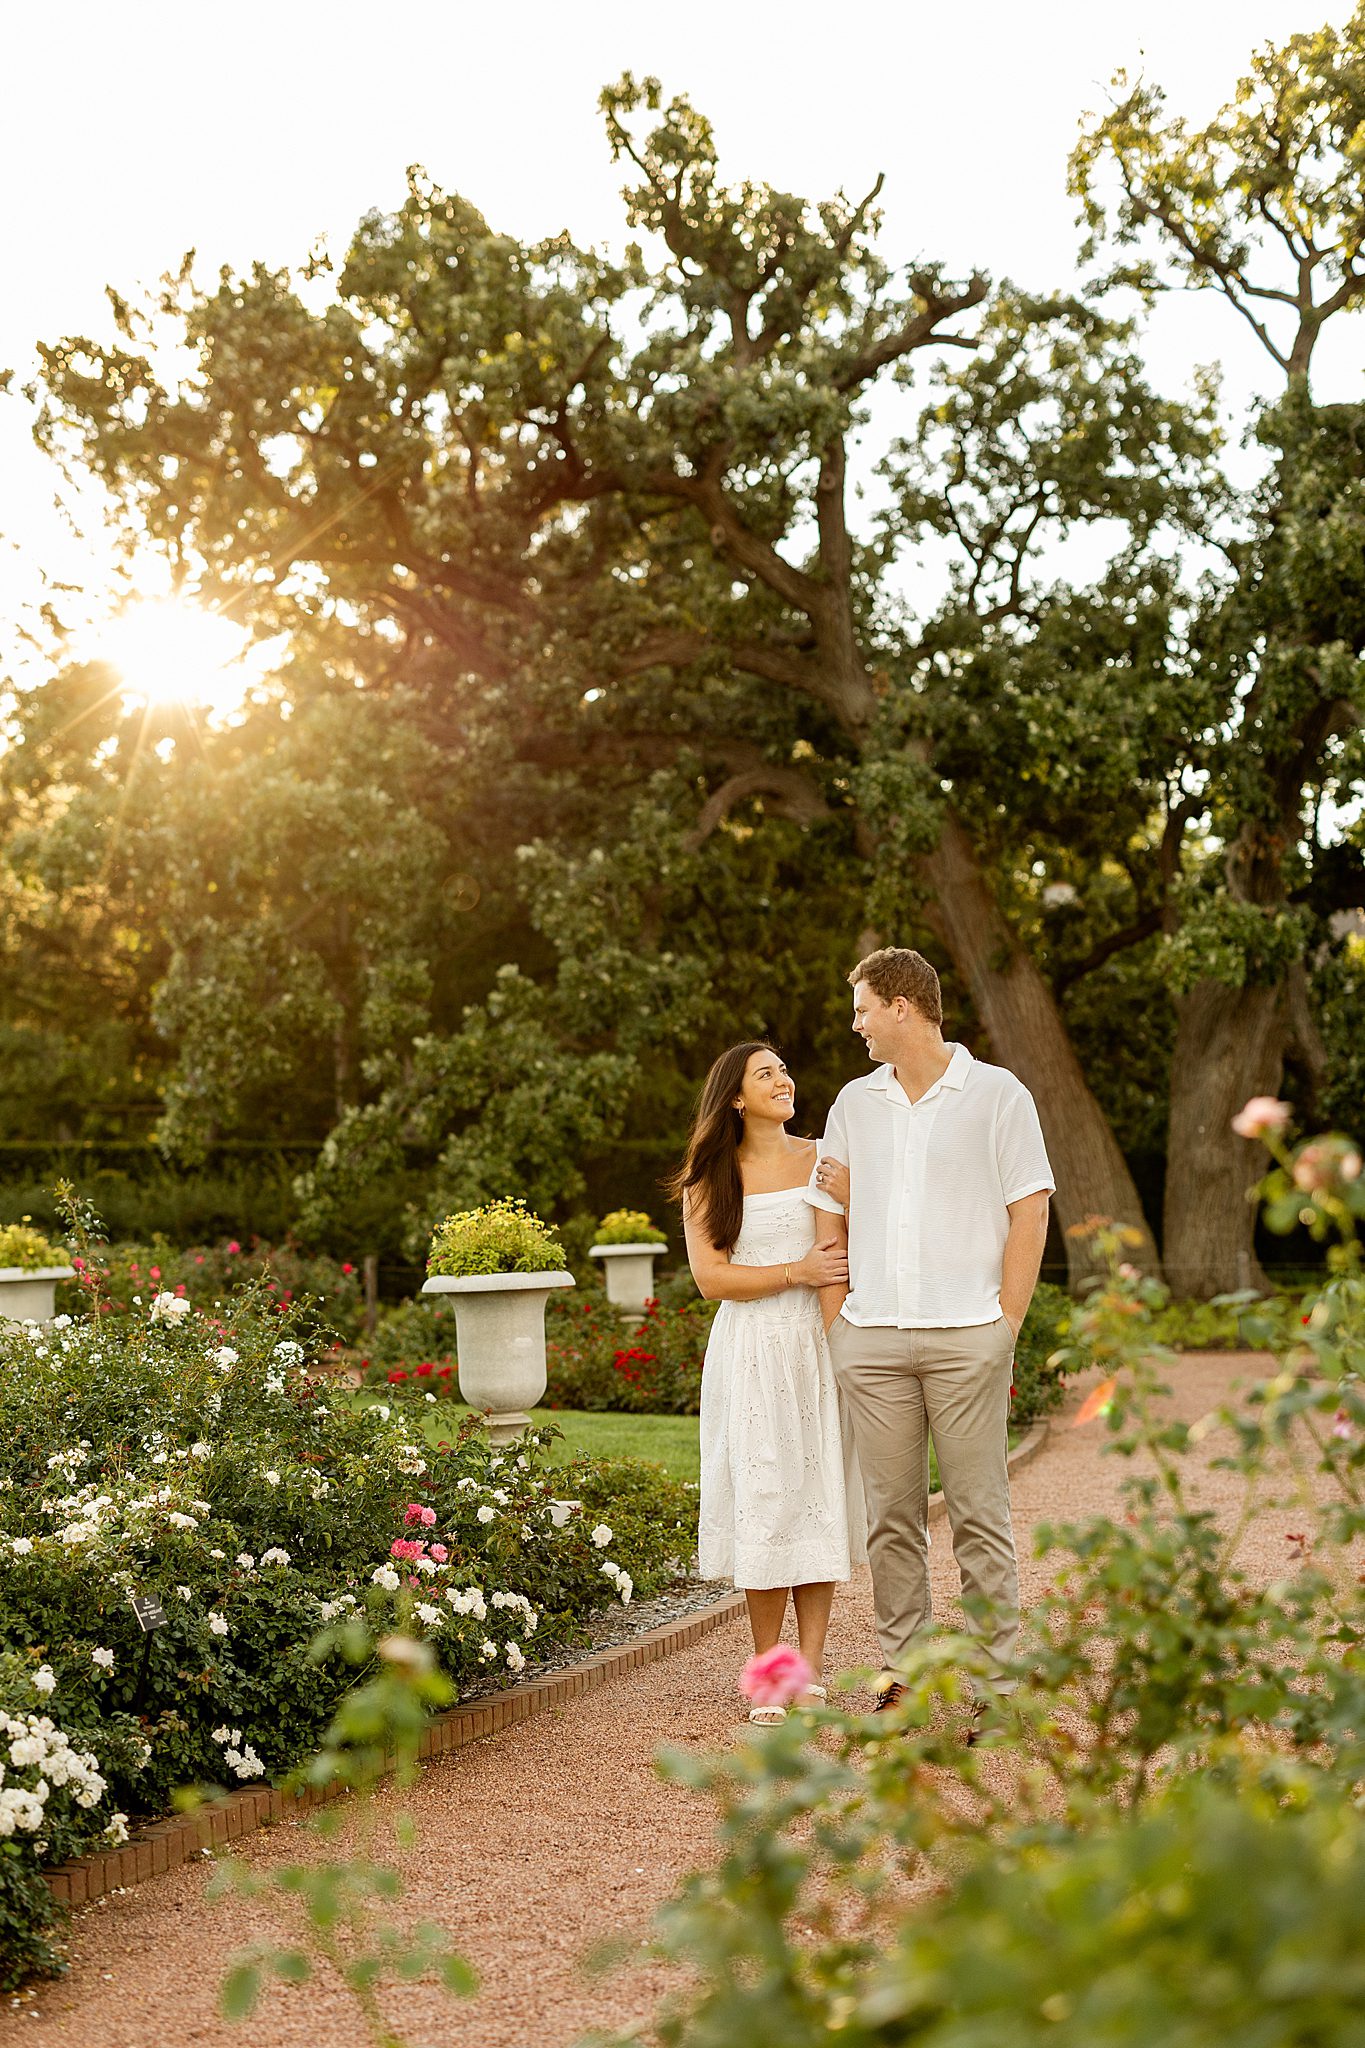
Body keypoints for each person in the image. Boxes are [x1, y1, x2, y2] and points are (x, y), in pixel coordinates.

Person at [805, 947, 1054, 1718]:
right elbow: (828, 1205)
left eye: (862, 1009)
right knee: (890, 1519)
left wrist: (1002, 1326)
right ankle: (903, 1677)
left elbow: (1030, 1210)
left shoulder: (997, 1096)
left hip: (966, 1335)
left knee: (980, 1517)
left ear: (902, 1007)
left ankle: (999, 1690)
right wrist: (837, 1318)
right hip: (871, 1339)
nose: (856, 1025)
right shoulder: (854, 1103)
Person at [668, 1041, 865, 1724]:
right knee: (764, 1494)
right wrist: (793, 1273)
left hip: (815, 1345)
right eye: (765, 1074)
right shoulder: (708, 1177)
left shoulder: (820, 1161)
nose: (782, 1080)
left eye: (783, 1069)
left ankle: (807, 1669)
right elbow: (711, 1279)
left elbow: (837, 1258)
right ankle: (768, 1671)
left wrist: (842, 1341)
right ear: (735, 1097)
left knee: (815, 1494)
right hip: (750, 1349)